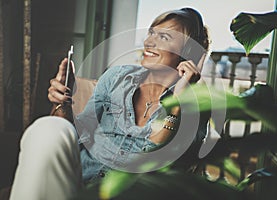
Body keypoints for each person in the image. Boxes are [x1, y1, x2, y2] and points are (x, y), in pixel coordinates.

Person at [9, 7, 210, 200]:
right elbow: (79, 134)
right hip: (78, 185)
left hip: (127, 194)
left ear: (189, 52)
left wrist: (178, 100)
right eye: (151, 33)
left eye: (163, 37)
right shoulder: (116, 77)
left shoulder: (196, 105)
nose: (149, 42)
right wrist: (63, 103)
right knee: (48, 127)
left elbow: (155, 162)